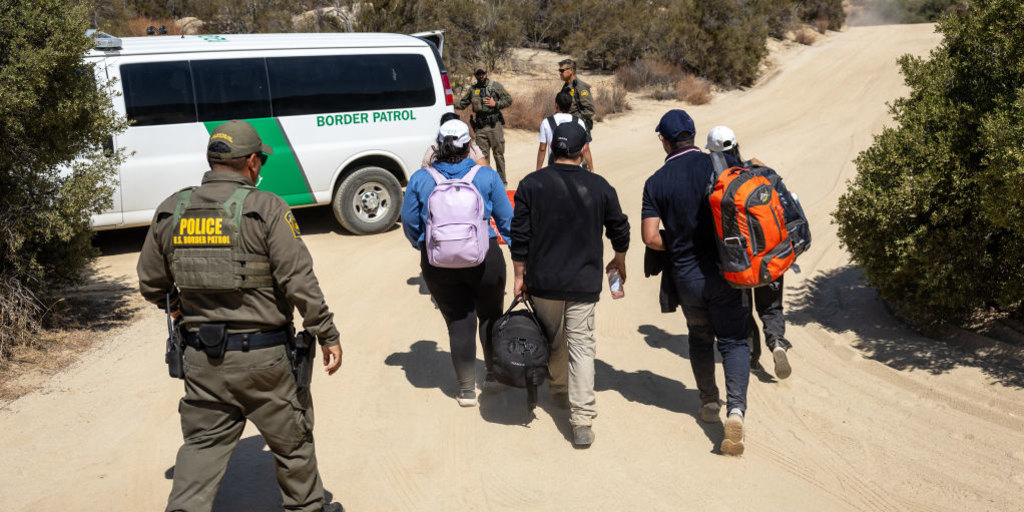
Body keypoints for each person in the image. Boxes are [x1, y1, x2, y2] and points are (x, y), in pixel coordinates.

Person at [137, 119, 344, 512]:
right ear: (251, 161)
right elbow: (298, 281)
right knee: (293, 444)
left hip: (202, 358)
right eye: (260, 160)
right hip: (264, 361)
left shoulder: (173, 208)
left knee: (201, 446)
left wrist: (180, 306)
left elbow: (151, 282)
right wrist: (326, 332)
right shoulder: (266, 208)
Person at [510, 122, 629, 447]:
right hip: (583, 281)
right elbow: (619, 227)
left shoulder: (531, 184)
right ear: (582, 151)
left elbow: (519, 235)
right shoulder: (600, 186)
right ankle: (581, 420)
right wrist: (619, 258)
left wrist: (519, 275)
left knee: (551, 337)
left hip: (543, 279)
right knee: (581, 345)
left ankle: (559, 388)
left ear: (552, 149)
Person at [640, 110, 750, 456]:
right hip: (727, 270)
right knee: (733, 341)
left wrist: (680, 243)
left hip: (687, 276)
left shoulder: (656, 182)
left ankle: (708, 402)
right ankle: (735, 410)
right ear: (693, 134)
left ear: (665, 140)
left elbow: (650, 237)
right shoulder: (719, 165)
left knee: (700, 338)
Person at [401, 119, 514, 406]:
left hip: (438, 262)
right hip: (484, 258)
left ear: (438, 144)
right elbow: (506, 221)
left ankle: (465, 389)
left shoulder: (420, 179)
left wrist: (424, 246)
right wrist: (518, 253)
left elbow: (410, 223)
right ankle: (492, 376)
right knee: (490, 316)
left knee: (458, 321)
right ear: (468, 145)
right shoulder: (487, 176)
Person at [706, 125, 792, 379]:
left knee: (744, 310)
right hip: (771, 256)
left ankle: (753, 357)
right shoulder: (758, 171)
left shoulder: (717, 186)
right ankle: (776, 342)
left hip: (740, 264)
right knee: (771, 307)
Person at [454, 68, 513, 183]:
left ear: (486, 73)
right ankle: (487, 183)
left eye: (482, 73)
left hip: (494, 126)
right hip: (480, 128)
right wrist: (448, 101)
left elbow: (508, 99)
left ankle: (502, 183)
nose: (480, 75)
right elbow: (462, 104)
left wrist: (495, 104)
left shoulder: (495, 86)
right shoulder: (472, 90)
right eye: (478, 73)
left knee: (498, 155)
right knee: (482, 158)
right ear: (475, 75)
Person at [536, 91, 595, 171]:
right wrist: (591, 169)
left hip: (555, 169)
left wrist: (538, 170)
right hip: (575, 169)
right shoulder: (579, 122)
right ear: (571, 105)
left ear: (556, 105)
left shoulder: (546, 122)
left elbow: (542, 149)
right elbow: (586, 148)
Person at [421, 112, 489, 168]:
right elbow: (487, 173)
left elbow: (423, 175)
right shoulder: (472, 150)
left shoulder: (432, 151)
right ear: (468, 144)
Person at [557, 59, 596, 132]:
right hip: (567, 128)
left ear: (571, 70)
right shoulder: (566, 86)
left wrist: (573, 119)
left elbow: (590, 110)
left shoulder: (580, 87)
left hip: (578, 129)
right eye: (559, 71)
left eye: (562, 71)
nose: (560, 73)